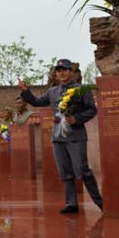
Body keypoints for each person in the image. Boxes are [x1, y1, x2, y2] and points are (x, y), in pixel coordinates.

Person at [19, 58, 103, 213]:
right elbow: (37, 102)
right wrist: (25, 91)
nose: (61, 73)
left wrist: (76, 119)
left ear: (71, 72)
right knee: (65, 172)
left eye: (64, 70)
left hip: (76, 136)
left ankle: (100, 202)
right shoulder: (53, 92)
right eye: (58, 70)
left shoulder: (82, 89)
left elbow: (92, 110)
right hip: (58, 137)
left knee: (82, 170)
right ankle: (71, 203)